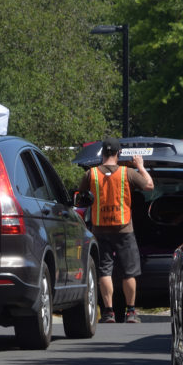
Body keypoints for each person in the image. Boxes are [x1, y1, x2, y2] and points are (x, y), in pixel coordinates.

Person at [77, 136, 153, 324]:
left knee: (104, 271)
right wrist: (140, 166)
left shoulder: (91, 174)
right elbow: (150, 186)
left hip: (99, 228)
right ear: (118, 154)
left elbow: (80, 198)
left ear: (103, 153)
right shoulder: (127, 173)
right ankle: (131, 312)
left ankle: (108, 312)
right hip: (124, 228)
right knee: (129, 272)